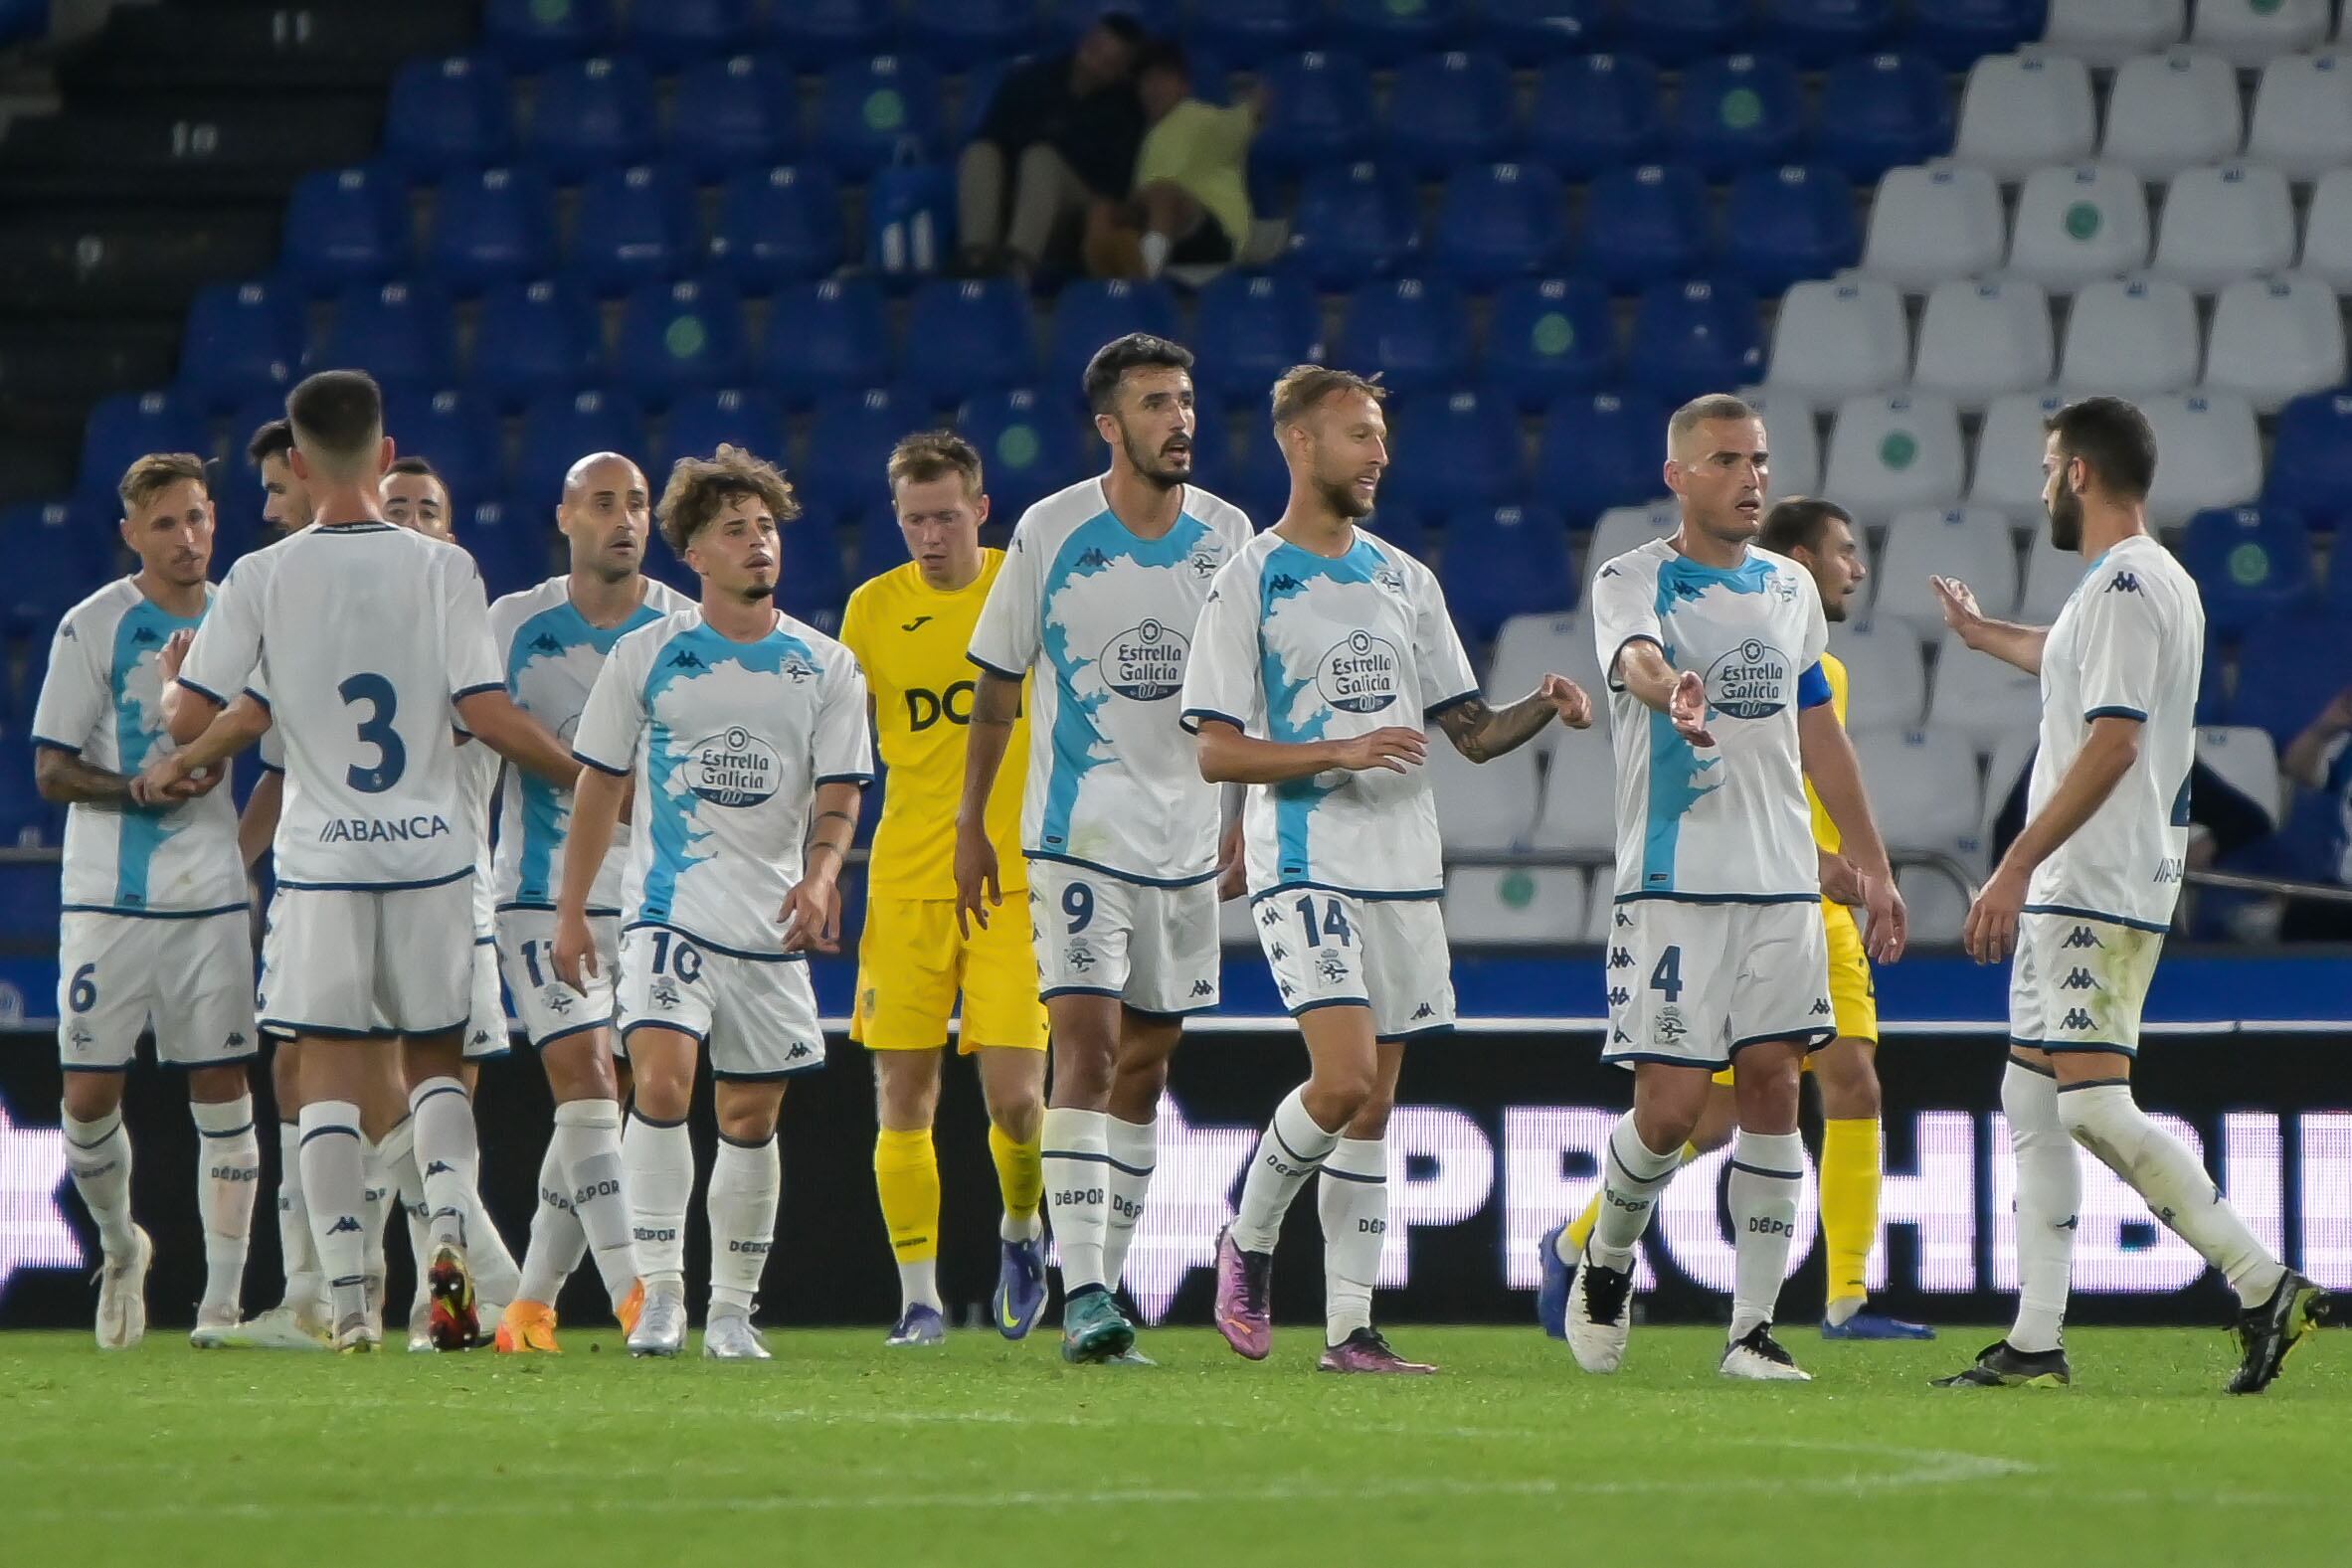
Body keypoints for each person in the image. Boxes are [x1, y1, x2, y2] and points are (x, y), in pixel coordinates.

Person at [148, 369, 578, 1353]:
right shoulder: (444, 569)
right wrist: (588, 772)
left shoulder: (261, 577)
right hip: (432, 861)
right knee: (435, 1071)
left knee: (325, 1078)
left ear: (295, 464)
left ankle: (347, 1301)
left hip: (325, 862)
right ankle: (455, 1273)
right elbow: (486, 712)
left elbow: (194, 718)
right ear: (385, 457)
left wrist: (180, 691)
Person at [1186, 367, 1594, 1373]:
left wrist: (1542, 706)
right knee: (1343, 1075)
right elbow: (1217, 750)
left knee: (1373, 1108)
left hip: (1403, 866)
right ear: (1299, 443)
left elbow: (1470, 732)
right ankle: (1247, 1239)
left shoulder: (1406, 578)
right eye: (1359, 435)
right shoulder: (1248, 578)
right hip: (1307, 860)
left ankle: (1349, 1329)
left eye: (1381, 437)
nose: (1379, 454)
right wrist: (1337, 751)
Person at [1929, 396, 2333, 1394]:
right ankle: (2034, 1337)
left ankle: (2260, 1277)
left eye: (2044, 468)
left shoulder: (2119, 586)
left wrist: (2015, 862)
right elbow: (2071, 662)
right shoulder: (2141, 585)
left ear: (2078, 472)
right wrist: (1987, 634)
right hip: (2096, 881)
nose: (2039, 488)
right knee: (2032, 1096)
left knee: (2096, 1105)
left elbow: (2113, 739)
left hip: (2090, 887)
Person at [1559, 394, 1906, 1383]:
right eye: (1727, 460)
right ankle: (1608, 1255)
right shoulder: (1634, 575)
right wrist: (1664, 682)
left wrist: (1872, 863)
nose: (1751, 477)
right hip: (1672, 881)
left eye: (1757, 459)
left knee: (1769, 1088)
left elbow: (1818, 732)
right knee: (1668, 1112)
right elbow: (1628, 656)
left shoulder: (1790, 589)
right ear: (1679, 476)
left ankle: (1750, 1328)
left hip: (1782, 885)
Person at [959, 333, 1251, 1364]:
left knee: (1146, 1065)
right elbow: (997, 687)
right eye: (1155, 403)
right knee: (1080, 1046)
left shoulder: (1229, 534)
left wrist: (1244, 819)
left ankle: (1102, 1275)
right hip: (1076, 833)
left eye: (1184, 398)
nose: (1179, 418)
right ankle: (1083, 1288)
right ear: (1108, 425)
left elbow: (1243, 692)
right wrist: (969, 828)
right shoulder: (1050, 529)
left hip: (1182, 840)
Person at [555, 445, 872, 1361]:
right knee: (659, 1083)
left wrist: (819, 876)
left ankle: (733, 1310)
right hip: (667, 913)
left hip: (767, 927)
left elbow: (842, 790)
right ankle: (661, 1296)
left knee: (750, 1118)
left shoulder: (824, 667)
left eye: (765, 528)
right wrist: (575, 911)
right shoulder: (647, 656)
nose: (756, 543)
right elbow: (598, 787)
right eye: (734, 531)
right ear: (693, 552)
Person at [31, 452, 260, 1349]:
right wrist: (134, 789)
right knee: (87, 1096)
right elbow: (49, 770)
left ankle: (221, 1301)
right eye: (165, 523)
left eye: (198, 517)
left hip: (208, 899)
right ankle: (123, 1244)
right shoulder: (94, 625)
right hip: (107, 900)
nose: (187, 537)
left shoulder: (243, 621)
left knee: (222, 1085)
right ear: (130, 534)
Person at [840, 433, 1048, 1348]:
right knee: (904, 1096)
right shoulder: (870, 611)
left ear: (980, 509)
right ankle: (919, 1299)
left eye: (946, 516)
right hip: (906, 881)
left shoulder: (1024, 588)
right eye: (914, 519)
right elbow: (841, 750)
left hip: (1014, 881)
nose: (929, 535)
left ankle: (1018, 1228)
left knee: (1016, 1101)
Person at [486, 451, 687, 1354]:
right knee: (587, 1080)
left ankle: (530, 1303)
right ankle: (636, 1289)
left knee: (603, 1107)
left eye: (637, 504)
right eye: (603, 503)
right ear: (564, 515)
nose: (625, 519)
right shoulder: (514, 624)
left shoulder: (682, 626)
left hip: (648, 897)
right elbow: (478, 726)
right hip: (539, 892)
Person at [374, 454, 526, 1348]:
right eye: (396, 507)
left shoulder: (472, 634)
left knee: (435, 1105)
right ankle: (473, 1281)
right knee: (372, 1106)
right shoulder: (338, 623)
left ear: (450, 530)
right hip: (344, 886)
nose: (411, 520)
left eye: (428, 509)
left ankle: (449, 1290)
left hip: (451, 892)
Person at [956, 12, 1147, 277]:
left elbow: (1113, 187)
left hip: (1074, 212)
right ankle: (976, 257)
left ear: (1122, 71)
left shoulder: (1126, 111)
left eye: (1109, 60)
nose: (1095, 59)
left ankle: (1019, 267)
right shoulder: (1032, 79)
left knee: (1042, 157)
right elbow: (994, 134)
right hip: (1013, 192)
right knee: (980, 152)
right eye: (1096, 46)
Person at [1083, 42, 1258, 280]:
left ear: (1183, 86)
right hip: (1164, 236)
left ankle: (1144, 278)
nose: (1153, 88)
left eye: (1163, 79)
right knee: (1102, 209)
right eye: (1147, 80)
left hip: (1214, 237)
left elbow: (1233, 127)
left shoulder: (1200, 116)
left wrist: (1256, 108)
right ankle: (1104, 286)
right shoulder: (1146, 136)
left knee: (1163, 192)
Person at [2271, 686, 2352, 942]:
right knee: (2303, 915)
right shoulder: (2346, 747)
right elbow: (2296, 768)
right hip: (2343, 893)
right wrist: (2323, 729)